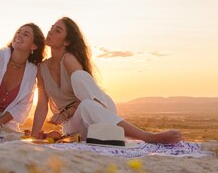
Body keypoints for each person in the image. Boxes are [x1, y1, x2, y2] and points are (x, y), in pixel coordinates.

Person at [31, 17, 183, 144]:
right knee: (87, 107)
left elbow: (84, 97)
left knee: (85, 98)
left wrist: (65, 113)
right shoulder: (42, 68)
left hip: (100, 108)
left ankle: (148, 137)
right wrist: (34, 135)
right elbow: (42, 106)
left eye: (57, 30)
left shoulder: (69, 60)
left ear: (67, 42)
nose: (50, 31)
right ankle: (109, 132)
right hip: (76, 123)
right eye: (51, 28)